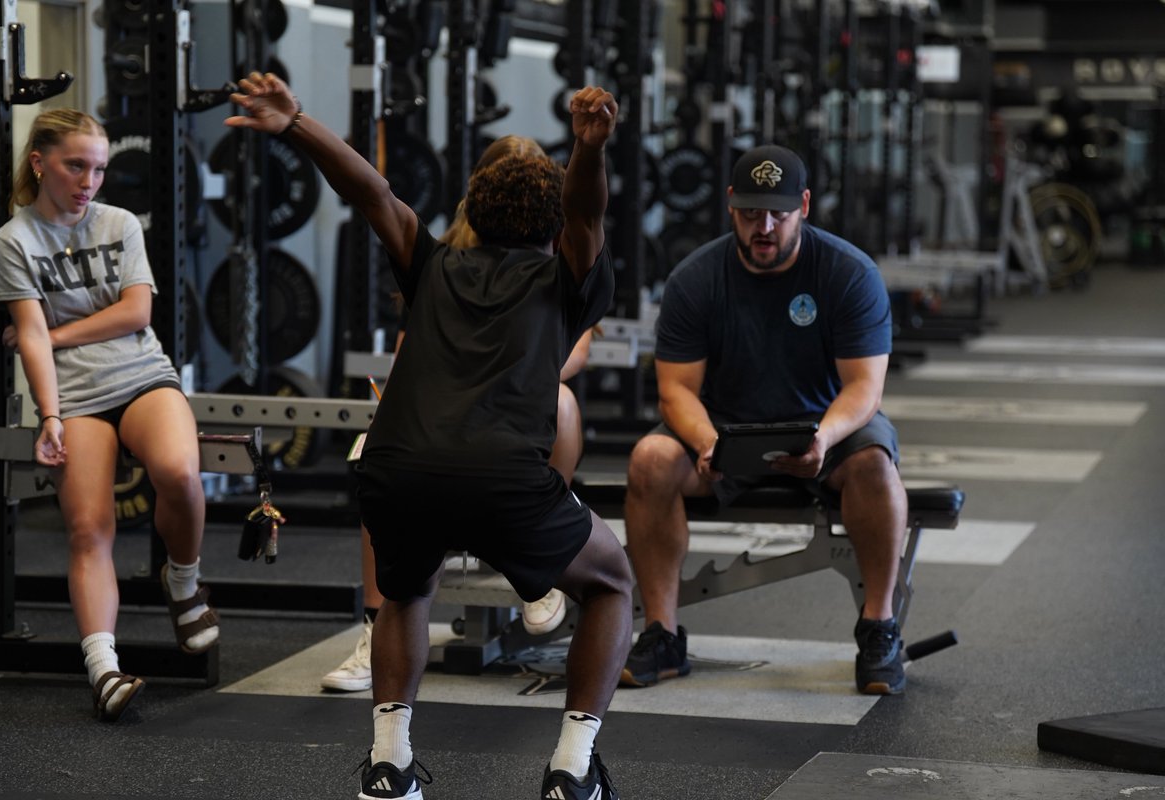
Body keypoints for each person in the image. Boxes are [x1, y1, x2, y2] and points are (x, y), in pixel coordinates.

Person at [228, 73, 631, 800]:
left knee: (406, 592)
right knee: (611, 584)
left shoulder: (432, 260)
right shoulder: (565, 275)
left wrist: (296, 125)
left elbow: (371, 192)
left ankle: (390, 764)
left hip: (396, 472)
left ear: (471, 204)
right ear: (552, 222)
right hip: (504, 479)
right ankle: (572, 769)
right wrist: (589, 149)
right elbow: (588, 213)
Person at [620, 144, 909, 696]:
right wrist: (708, 444)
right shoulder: (695, 279)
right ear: (730, 205)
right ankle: (663, 632)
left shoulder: (848, 273)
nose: (765, 226)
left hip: (827, 424)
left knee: (875, 465)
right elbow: (676, 390)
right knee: (650, 460)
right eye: (751, 212)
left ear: (803, 205)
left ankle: (879, 626)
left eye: (778, 212)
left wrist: (823, 438)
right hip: (725, 428)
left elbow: (864, 388)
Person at [319, 136, 593, 694]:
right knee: (384, 447)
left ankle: (538, 569)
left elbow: (572, 348)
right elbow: (412, 345)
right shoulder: (443, 254)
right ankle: (376, 627)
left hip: (516, 416)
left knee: (561, 404)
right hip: (447, 426)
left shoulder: (558, 262)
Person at [0, 109, 220, 721]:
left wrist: (57, 336)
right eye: (76, 166)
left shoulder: (118, 223)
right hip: (77, 397)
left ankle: (184, 583)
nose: (90, 181)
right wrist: (50, 416)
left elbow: (136, 313)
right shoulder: (12, 243)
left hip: (142, 375)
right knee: (89, 528)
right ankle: (103, 670)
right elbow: (28, 334)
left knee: (179, 473)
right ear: (40, 163)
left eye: (100, 169)